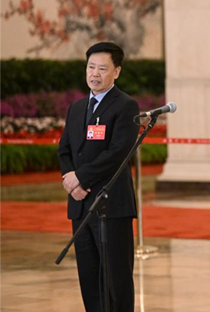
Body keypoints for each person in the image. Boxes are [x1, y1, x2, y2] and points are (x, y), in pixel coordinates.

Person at [58, 42, 140, 312]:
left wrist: (80, 178)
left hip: (111, 206)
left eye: (102, 68)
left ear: (116, 72)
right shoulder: (77, 108)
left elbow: (118, 153)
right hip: (81, 206)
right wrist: (71, 182)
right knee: (89, 277)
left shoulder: (126, 106)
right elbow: (65, 150)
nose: (94, 73)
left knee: (116, 277)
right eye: (91, 67)